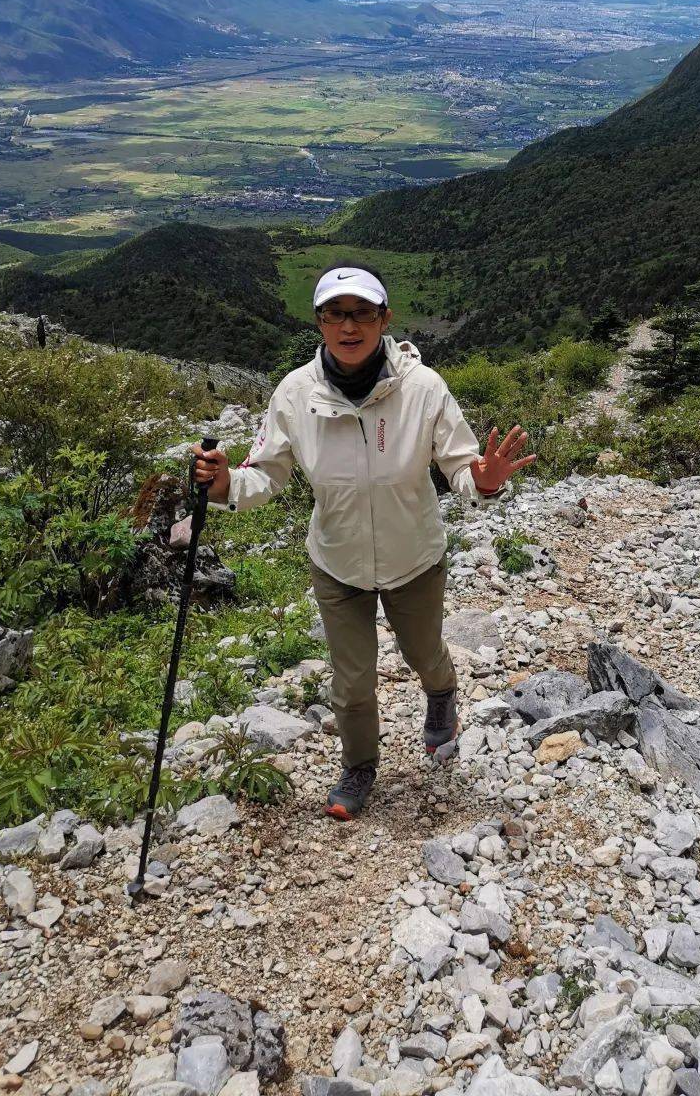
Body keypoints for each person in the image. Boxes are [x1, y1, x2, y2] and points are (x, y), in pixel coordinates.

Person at [192, 264, 535, 820]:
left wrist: (485, 481)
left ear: (384, 320)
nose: (348, 327)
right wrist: (227, 484)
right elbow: (267, 473)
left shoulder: (423, 390)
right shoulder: (295, 394)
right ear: (319, 322)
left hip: (414, 557)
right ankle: (359, 766)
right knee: (352, 681)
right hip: (338, 561)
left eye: (361, 314)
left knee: (422, 653)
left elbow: (460, 464)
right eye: (335, 314)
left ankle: (442, 692)